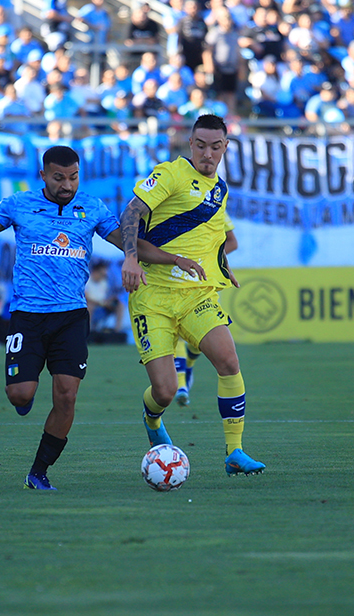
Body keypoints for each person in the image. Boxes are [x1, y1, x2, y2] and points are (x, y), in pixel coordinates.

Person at [0, 146, 183, 491]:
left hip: (72, 317)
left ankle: (39, 472)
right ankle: (23, 397)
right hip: (27, 316)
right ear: (43, 175)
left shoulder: (92, 208)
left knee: (67, 396)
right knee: (19, 394)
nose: (67, 185)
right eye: (59, 178)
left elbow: (130, 243)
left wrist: (174, 258)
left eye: (73, 177)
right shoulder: (19, 204)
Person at [120, 114, 266, 477]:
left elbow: (216, 237)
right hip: (153, 295)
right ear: (190, 144)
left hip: (195, 296)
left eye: (216, 146)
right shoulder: (170, 174)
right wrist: (130, 258)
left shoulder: (219, 190)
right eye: (200, 145)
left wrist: (221, 265)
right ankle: (152, 420)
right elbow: (131, 214)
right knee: (166, 391)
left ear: (226, 147)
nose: (207, 153)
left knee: (229, 361)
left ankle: (235, 451)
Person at [174, 213, 238, 406]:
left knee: (203, 333)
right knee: (174, 331)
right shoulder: (162, 200)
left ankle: (190, 363)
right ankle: (181, 385)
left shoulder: (211, 202)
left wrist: (206, 258)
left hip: (203, 281)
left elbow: (232, 242)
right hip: (170, 278)